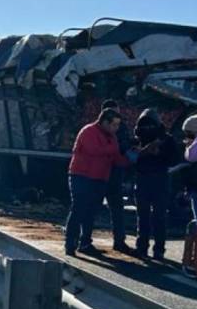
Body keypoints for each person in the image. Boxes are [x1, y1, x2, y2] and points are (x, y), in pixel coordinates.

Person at [65, 108, 130, 257]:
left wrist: (131, 158)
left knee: (91, 211)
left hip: (99, 178)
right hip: (81, 176)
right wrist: (114, 150)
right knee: (78, 208)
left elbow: (115, 158)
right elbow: (94, 150)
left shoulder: (111, 137)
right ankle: (70, 243)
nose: (116, 128)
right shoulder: (88, 131)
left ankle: (85, 242)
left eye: (118, 125)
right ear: (104, 122)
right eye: (114, 124)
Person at [132, 109, 179, 260]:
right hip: (144, 180)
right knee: (144, 217)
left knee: (157, 217)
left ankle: (157, 249)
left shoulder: (166, 139)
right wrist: (142, 152)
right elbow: (129, 160)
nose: (147, 129)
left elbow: (174, 159)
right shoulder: (137, 139)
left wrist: (158, 153)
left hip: (158, 180)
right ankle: (143, 248)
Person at [100, 99, 132, 253]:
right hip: (102, 173)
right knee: (92, 207)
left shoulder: (119, 128)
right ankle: (83, 239)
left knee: (116, 209)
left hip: (111, 173)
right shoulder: (98, 130)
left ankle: (119, 241)